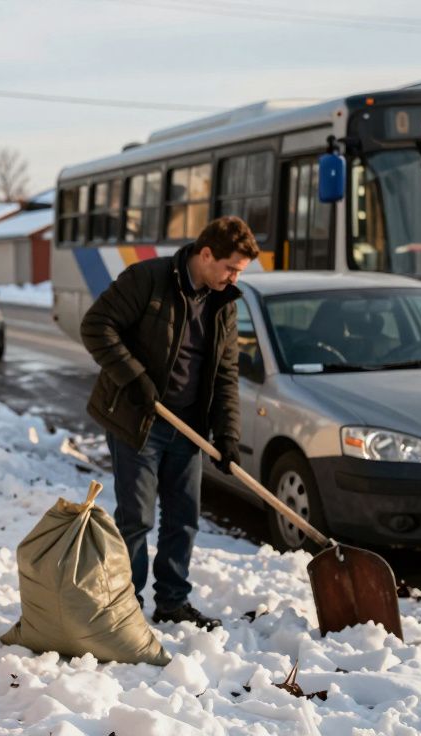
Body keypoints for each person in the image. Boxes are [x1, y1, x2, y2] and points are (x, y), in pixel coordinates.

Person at [79, 216, 258, 631]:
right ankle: (125, 607)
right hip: (138, 419)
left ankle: (173, 602)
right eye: (230, 268)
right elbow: (96, 326)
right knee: (137, 518)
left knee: (184, 517)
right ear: (206, 253)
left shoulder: (223, 302)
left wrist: (228, 436)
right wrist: (134, 378)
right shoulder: (149, 278)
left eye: (240, 272)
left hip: (188, 427)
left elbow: (225, 375)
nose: (234, 278)